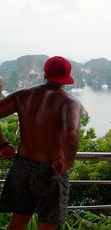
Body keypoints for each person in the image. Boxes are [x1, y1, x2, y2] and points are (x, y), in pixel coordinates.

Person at [0, 56, 81, 230]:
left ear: (45, 73)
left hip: (22, 166)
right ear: (67, 76)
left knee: (17, 222)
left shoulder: (23, 95)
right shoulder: (70, 102)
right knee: (47, 226)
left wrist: (2, 144)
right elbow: (72, 135)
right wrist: (68, 161)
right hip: (50, 170)